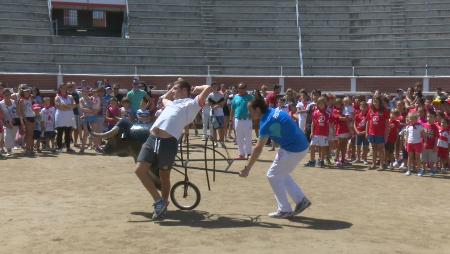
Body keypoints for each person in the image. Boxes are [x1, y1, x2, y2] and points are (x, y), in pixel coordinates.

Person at [134, 80, 213, 220]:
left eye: (176, 89)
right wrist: (172, 89)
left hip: (168, 142)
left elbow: (208, 88)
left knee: (164, 176)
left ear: (184, 90)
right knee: (139, 170)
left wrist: (196, 88)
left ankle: (163, 203)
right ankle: (159, 202)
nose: (173, 91)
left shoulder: (192, 103)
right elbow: (164, 98)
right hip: (152, 139)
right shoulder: (172, 103)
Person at [239, 92, 311, 219]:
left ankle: (285, 209)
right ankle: (301, 200)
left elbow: (258, 148)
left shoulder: (266, 123)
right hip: (298, 145)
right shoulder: (273, 111)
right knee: (281, 174)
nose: (249, 114)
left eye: (250, 111)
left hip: (294, 148)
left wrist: (247, 168)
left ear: (258, 109)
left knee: (272, 175)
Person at [230, 83, 254, 160]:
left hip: (247, 119)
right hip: (237, 119)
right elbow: (233, 108)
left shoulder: (251, 97)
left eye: (243, 88)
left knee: (248, 137)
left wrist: (252, 115)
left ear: (245, 88)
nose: (241, 89)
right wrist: (231, 119)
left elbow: (255, 107)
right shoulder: (236, 97)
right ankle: (241, 154)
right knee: (239, 138)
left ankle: (249, 153)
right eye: (240, 88)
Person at [366, 95, 390, 170]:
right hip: (371, 133)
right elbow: (368, 122)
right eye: (374, 101)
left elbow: (387, 124)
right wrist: (367, 132)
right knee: (373, 148)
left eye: (376, 101)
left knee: (381, 149)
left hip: (380, 134)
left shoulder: (384, 111)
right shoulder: (370, 110)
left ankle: (381, 165)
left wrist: (386, 135)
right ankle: (373, 164)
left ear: (380, 102)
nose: (375, 103)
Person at [305, 96, 329, 167]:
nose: (321, 105)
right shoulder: (315, 112)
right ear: (317, 104)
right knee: (312, 146)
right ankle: (312, 161)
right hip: (316, 133)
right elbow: (313, 123)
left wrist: (328, 133)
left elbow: (328, 124)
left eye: (322, 104)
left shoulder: (327, 113)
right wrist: (312, 132)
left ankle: (321, 161)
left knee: (322, 147)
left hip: (323, 134)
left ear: (325, 104)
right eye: (319, 104)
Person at [55, 83, 76, 153]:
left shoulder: (70, 96)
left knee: (68, 133)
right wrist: (68, 106)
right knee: (60, 133)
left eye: (65, 88)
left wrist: (65, 106)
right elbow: (59, 107)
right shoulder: (57, 97)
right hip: (60, 117)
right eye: (62, 88)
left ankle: (68, 147)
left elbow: (74, 105)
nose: (64, 89)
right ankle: (59, 147)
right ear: (60, 89)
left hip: (69, 117)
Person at [17, 84, 35, 156]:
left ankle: (29, 149)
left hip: (32, 117)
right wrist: (24, 120)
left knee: (31, 134)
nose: (27, 92)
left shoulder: (30, 98)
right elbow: (21, 111)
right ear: (22, 92)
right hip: (27, 118)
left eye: (28, 91)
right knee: (29, 134)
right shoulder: (21, 100)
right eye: (25, 91)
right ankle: (27, 150)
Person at [0, 89, 18, 156]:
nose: (7, 96)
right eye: (6, 95)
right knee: (7, 135)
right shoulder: (0, 104)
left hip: (14, 122)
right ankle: (8, 150)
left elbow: (17, 112)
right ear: (3, 95)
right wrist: (6, 123)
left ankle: (9, 149)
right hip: (5, 122)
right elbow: (1, 115)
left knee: (12, 136)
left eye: (9, 94)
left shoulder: (14, 102)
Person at [420, 111, 438, 176]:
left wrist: (435, 146)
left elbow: (436, 137)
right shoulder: (423, 125)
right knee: (423, 159)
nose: (429, 118)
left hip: (432, 147)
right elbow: (421, 135)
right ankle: (423, 170)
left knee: (431, 160)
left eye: (431, 117)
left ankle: (432, 170)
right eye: (428, 116)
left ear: (435, 118)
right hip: (423, 146)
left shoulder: (435, 127)